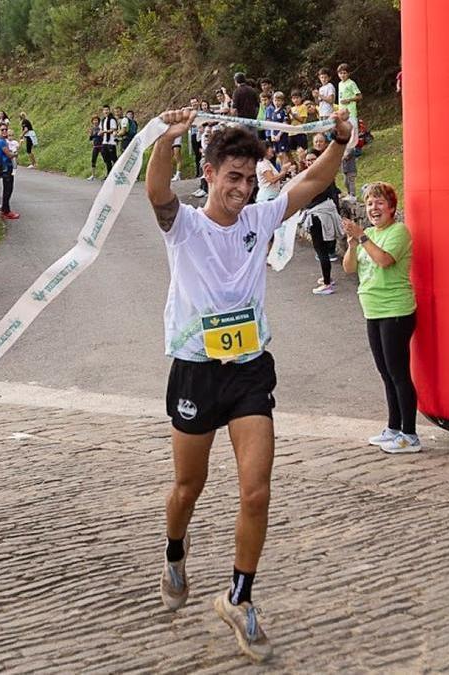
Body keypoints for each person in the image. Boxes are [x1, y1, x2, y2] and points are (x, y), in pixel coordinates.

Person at [147, 107, 354, 663]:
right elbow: (158, 188)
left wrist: (338, 141)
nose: (241, 188)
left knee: (255, 490)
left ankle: (239, 597)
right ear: (209, 174)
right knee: (188, 487)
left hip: (248, 370)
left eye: (248, 178)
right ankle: (174, 550)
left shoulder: (260, 220)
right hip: (194, 368)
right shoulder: (184, 225)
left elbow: (313, 181)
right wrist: (168, 138)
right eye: (230, 177)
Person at [342, 182, 420, 453]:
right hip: (373, 310)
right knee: (385, 373)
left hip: (395, 311)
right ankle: (393, 428)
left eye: (379, 203)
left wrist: (362, 237)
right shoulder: (369, 235)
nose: (374, 208)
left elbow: (385, 261)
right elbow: (349, 268)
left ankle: (410, 435)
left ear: (391, 208)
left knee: (399, 373)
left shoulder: (398, 232)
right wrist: (353, 244)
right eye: (369, 204)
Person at [299, 147, 343, 295]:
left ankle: (327, 283)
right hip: (324, 214)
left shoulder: (315, 177)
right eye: (308, 160)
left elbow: (308, 198)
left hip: (318, 216)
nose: (310, 162)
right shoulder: (326, 173)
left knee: (321, 251)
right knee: (323, 250)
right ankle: (327, 278)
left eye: (313, 159)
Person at [0, 122, 19, 220]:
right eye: (2, 130)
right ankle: (6, 211)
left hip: (6, 167)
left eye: (6, 129)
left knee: (7, 189)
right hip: (6, 168)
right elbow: (8, 155)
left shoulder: (1, 141)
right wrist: (15, 154)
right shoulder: (1, 142)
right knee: (8, 190)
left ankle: (5, 209)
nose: (4, 131)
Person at [99, 104, 119, 173]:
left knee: (114, 158)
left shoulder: (112, 119)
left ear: (109, 110)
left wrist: (104, 131)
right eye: (104, 110)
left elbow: (113, 129)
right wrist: (100, 133)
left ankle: (118, 172)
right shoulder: (103, 120)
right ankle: (109, 173)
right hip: (104, 142)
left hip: (111, 142)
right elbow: (101, 129)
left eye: (107, 110)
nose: (106, 111)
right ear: (103, 111)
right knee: (106, 159)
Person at [87, 115, 104, 181]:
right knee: (93, 160)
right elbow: (90, 138)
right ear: (92, 121)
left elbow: (101, 135)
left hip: (102, 146)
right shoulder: (92, 129)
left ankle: (107, 174)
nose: (95, 121)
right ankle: (93, 175)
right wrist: (90, 134)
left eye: (96, 120)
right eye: (94, 120)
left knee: (105, 160)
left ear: (99, 121)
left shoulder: (101, 128)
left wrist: (95, 135)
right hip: (95, 146)